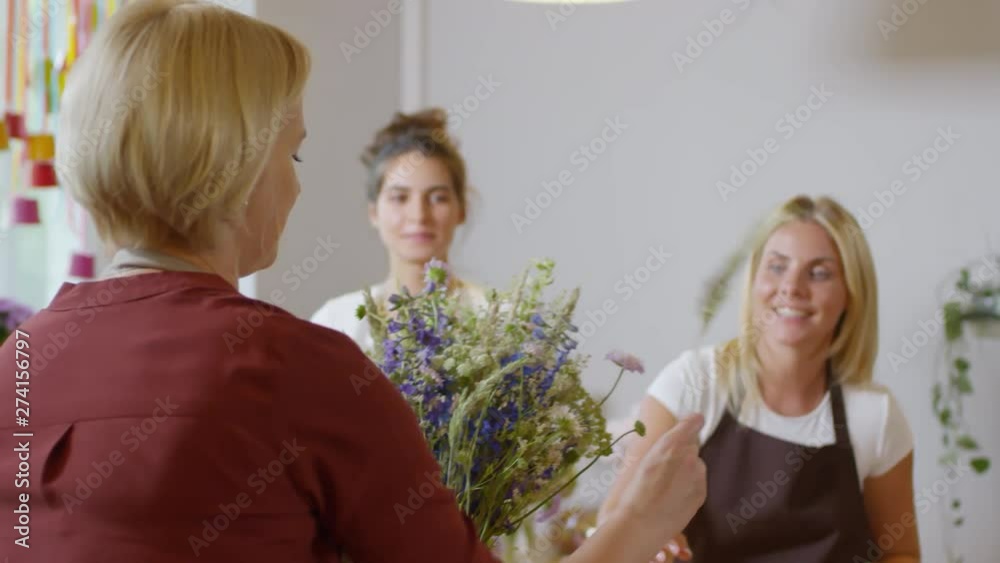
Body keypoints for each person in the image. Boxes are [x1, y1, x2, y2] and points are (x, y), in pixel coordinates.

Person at [0, 1, 707, 561]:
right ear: (236, 168)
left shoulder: (19, 361)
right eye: (295, 155)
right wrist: (638, 522)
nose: (296, 188)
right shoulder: (296, 365)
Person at [599, 195, 921, 563]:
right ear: (754, 280)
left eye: (819, 273)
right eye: (777, 267)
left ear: (851, 292)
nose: (792, 287)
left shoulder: (875, 417)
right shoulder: (694, 382)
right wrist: (656, 543)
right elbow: (615, 522)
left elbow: (901, 553)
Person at [310, 109, 485, 351]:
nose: (419, 215)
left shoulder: (498, 318)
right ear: (374, 212)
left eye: (437, 198)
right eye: (400, 197)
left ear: (461, 209)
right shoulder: (336, 322)